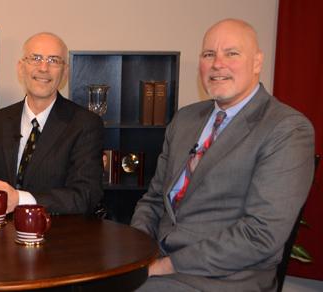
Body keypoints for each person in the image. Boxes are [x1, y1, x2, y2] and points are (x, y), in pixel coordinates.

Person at [131, 19, 315, 291]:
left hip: (225, 276)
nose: (218, 64)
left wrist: (165, 266)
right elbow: (154, 199)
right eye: (209, 54)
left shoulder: (286, 129)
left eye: (232, 53)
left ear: (256, 62)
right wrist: (134, 253)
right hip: (158, 258)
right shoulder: (185, 119)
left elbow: (261, 235)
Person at [0, 32, 104, 215]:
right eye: (35, 58)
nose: (43, 68)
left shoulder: (85, 125)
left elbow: (86, 195)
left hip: (56, 236)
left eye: (53, 60)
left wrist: (20, 200)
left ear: (65, 72)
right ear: (21, 68)